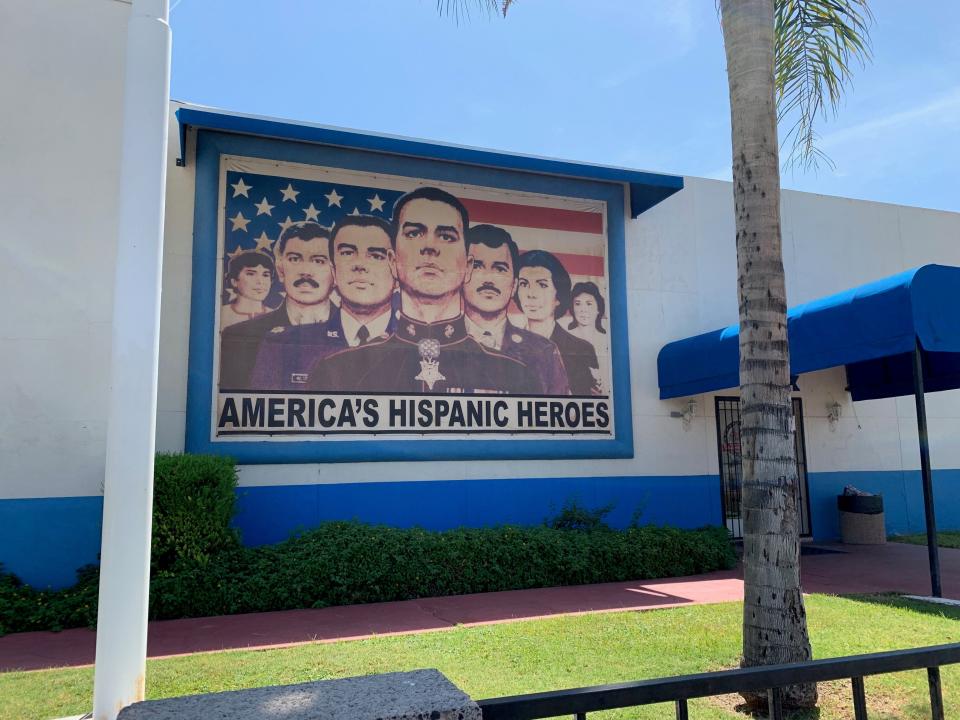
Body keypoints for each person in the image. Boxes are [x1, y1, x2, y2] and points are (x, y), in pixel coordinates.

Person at [308, 187, 539, 394]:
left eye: (447, 236)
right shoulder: (337, 371)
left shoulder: (515, 376)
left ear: (468, 266)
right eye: (414, 233)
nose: (429, 247)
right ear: (392, 260)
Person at [248, 215, 398, 390]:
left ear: (396, 268)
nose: (360, 265)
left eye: (376, 256)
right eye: (347, 253)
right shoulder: (282, 344)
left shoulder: (420, 345)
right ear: (333, 269)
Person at [220, 222, 342, 390]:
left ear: (336, 272)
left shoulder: (360, 336)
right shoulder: (238, 337)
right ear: (280, 270)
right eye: (294, 259)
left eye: (319, 261)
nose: (305, 271)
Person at [463, 224, 570, 395]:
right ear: (460, 274)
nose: (489, 278)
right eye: (477, 266)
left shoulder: (544, 352)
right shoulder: (434, 343)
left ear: (514, 285)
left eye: (500, 269)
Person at [516, 250, 602, 396]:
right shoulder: (505, 344)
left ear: (558, 296)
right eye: (524, 284)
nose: (531, 294)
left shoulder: (581, 349)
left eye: (542, 285)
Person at [567, 281, 610, 388]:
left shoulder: (608, 341)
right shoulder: (564, 339)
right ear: (572, 308)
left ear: (598, 309)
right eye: (577, 304)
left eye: (589, 304)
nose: (583, 309)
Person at [220, 250, 276, 329]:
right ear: (234, 281)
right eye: (251, 274)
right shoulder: (222, 314)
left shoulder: (277, 317)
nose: (260, 281)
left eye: (265, 275)